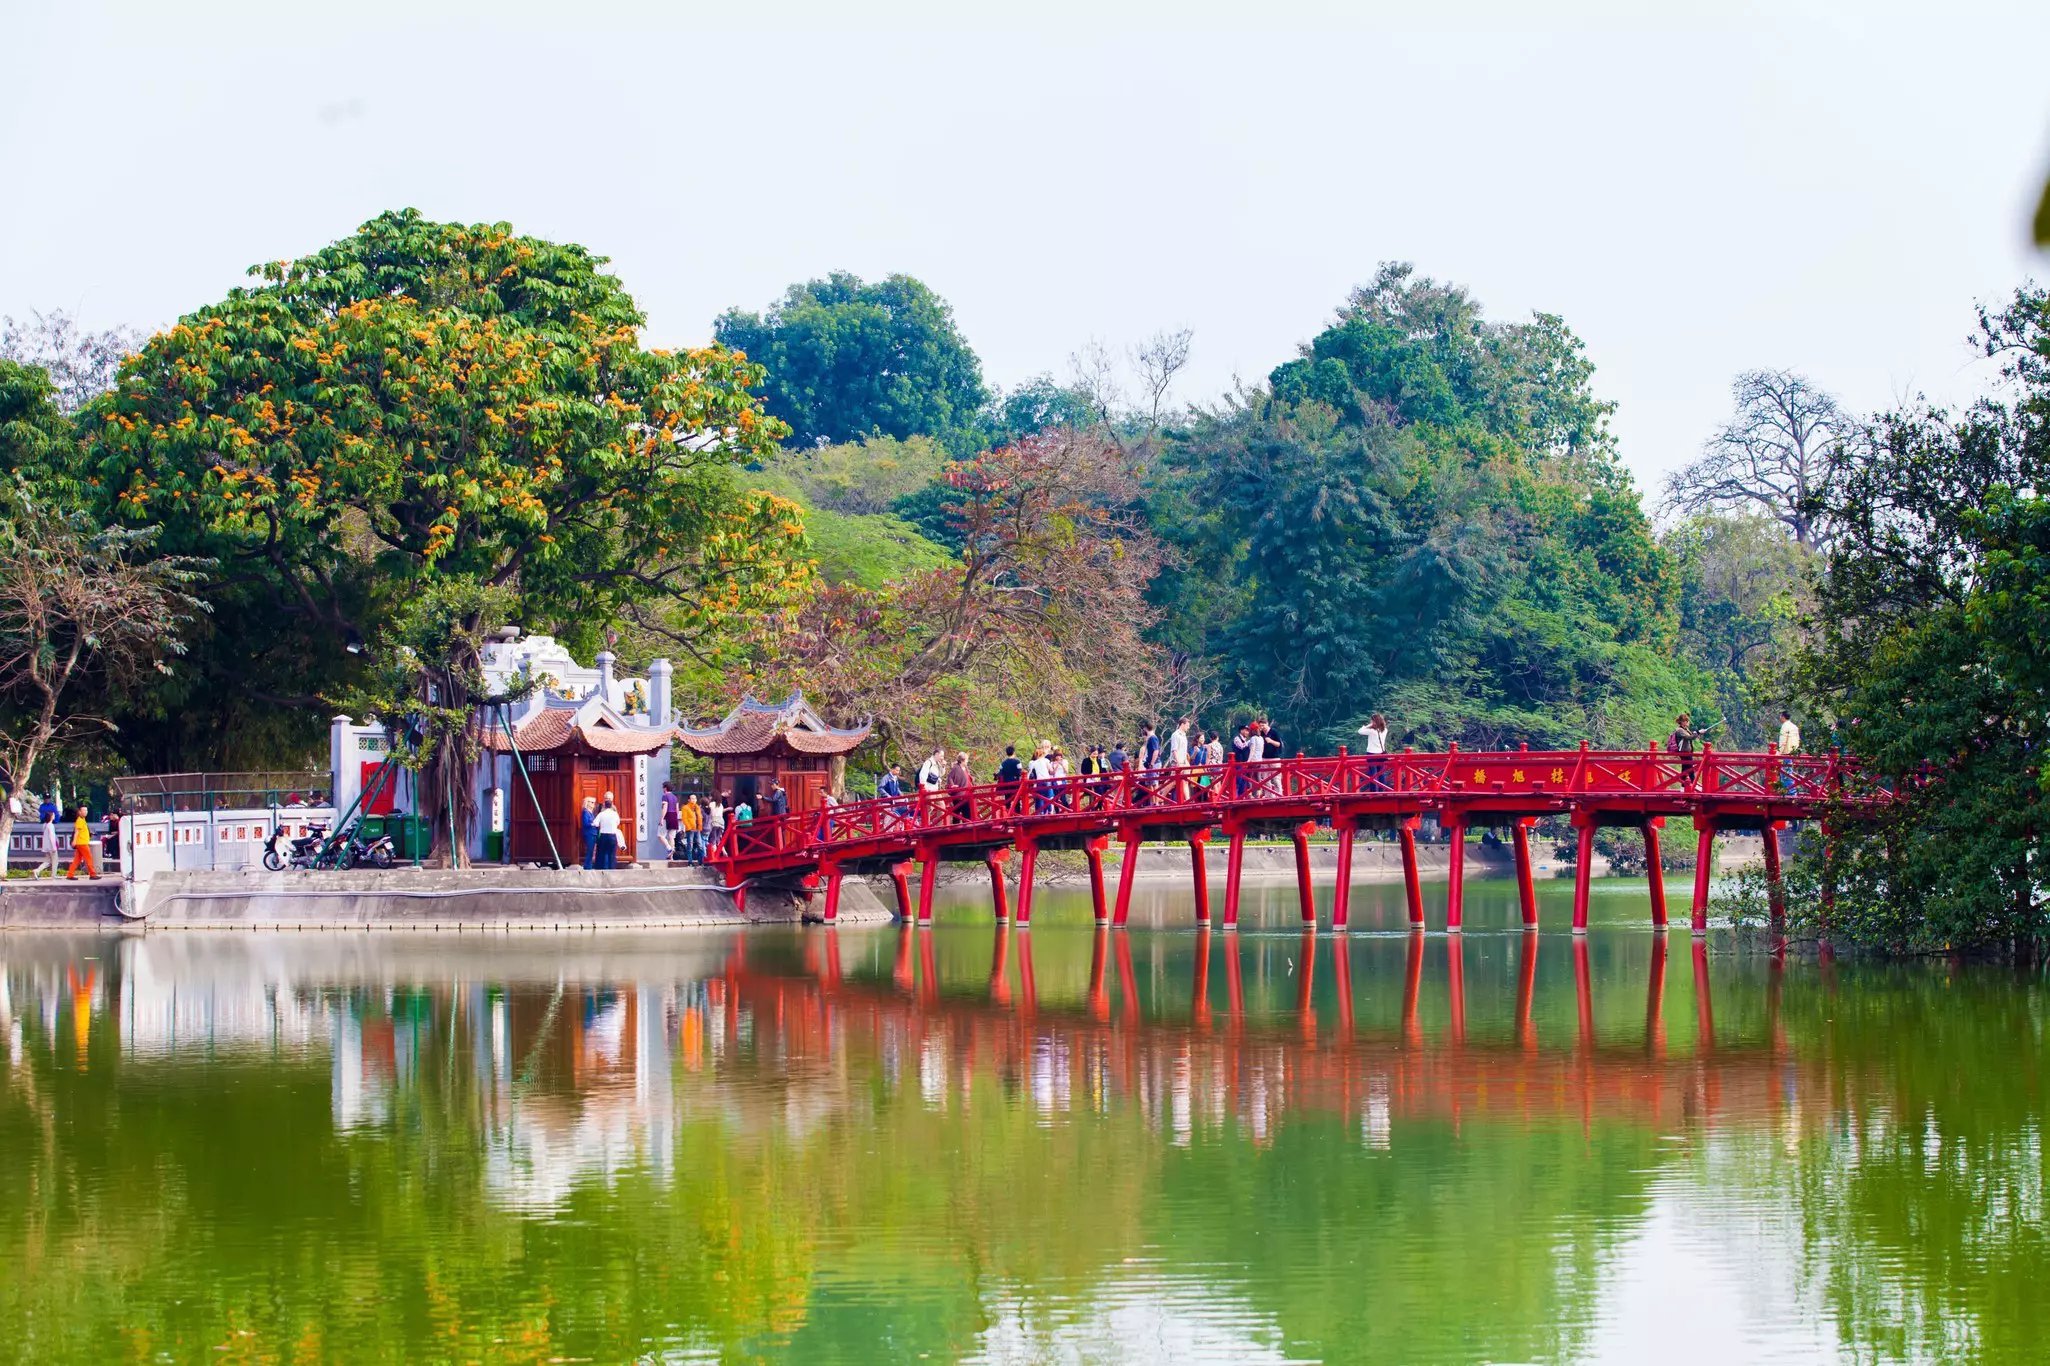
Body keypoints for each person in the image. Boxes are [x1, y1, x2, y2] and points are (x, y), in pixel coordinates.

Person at [1667, 713, 1710, 787]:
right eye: (1685, 721)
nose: (1686, 723)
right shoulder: (1680, 730)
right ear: (1681, 722)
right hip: (1684, 753)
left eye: (1686, 721)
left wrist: (1697, 733)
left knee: (1685, 769)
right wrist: (1698, 732)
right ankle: (1693, 786)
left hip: (1687, 753)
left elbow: (1691, 736)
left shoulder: (1685, 729)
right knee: (1690, 769)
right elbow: (1688, 738)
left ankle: (1683, 787)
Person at [1358, 712, 1390, 790]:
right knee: (1381, 773)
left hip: (1371, 754)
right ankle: (1382, 790)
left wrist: (1368, 725)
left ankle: (1374, 791)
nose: (1371, 722)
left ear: (1374, 721)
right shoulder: (1385, 730)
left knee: (1373, 774)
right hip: (1381, 754)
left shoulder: (1371, 731)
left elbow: (1360, 731)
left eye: (1372, 721)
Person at [65, 805, 98, 879]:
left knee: (77, 860)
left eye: (86, 810)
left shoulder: (82, 820)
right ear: (79, 812)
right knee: (89, 858)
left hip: (81, 842)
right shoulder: (79, 820)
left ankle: (70, 874)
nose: (85, 812)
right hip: (82, 843)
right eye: (83, 810)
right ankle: (92, 874)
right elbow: (77, 832)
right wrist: (74, 841)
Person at [33, 792, 60, 879]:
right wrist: (54, 847)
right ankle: (54, 876)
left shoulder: (45, 825)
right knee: (55, 861)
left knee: (48, 861)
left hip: (47, 846)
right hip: (52, 847)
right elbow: (52, 838)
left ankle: (37, 870)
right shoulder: (50, 826)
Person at [593, 796, 621, 869]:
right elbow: (618, 823)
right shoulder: (615, 814)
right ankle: (612, 869)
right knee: (612, 854)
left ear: (604, 806)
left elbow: (595, 823)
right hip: (612, 835)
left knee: (602, 853)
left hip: (603, 836)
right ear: (611, 805)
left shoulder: (601, 814)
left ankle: (603, 869)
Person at [946, 750, 974, 822]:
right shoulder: (956, 768)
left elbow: (968, 778)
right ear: (962, 760)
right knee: (957, 814)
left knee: (967, 814)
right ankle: (956, 828)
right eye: (967, 759)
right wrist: (952, 785)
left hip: (967, 794)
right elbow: (950, 777)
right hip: (959, 795)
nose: (967, 761)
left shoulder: (966, 768)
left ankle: (968, 828)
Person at [995, 745, 1024, 810]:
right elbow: (1019, 773)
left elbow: (1000, 773)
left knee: (1007, 800)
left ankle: (1008, 814)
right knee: (1016, 800)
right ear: (1014, 753)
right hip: (1015, 784)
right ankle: (1017, 814)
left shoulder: (1003, 763)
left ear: (1006, 753)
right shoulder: (1017, 762)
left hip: (1006, 784)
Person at [679, 793, 702, 862]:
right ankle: (690, 861)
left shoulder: (698, 807)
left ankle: (701, 861)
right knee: (690, 845)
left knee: (700, 845)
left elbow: (700, 817)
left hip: (697, 829)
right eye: (692, 798)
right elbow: (684, 818)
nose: (694, 800)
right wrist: (689, 827)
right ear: (689, 800)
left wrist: (700, 826)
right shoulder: (685, 808)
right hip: (690, 829)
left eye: (695, 798)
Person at [661, 781, 682, 857]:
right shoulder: (675, 797)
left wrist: (661, 819)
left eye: (663, 787)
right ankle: (671, 856)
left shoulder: (665, 796)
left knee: (660, 835)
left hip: (667, 816)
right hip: (674, 817)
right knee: (671, 837)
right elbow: (677, 809)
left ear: (665, 788)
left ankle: (669, 848)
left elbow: (665, 808)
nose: (663, 789)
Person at [705, 794, 728, 860]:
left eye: (710, 796)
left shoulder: (711, 804)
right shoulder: (720, 805)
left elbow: (709, 812)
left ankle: (715, 855)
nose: (709, 797)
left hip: (714, 822)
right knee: (719, 839)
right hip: (721, 822)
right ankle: (724, 852)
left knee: (713, 840)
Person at [579, 796, 599, 870]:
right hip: (589, 834)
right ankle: (587, 866)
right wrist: (593, 824)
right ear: (587, 803)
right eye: (592, 802)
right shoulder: (585, 812)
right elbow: (585, 823)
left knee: (592, 851)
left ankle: (588, 865)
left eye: (594, 802)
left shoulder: (590, 812)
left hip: (593, 833)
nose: (593, 804)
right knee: (590, 850)